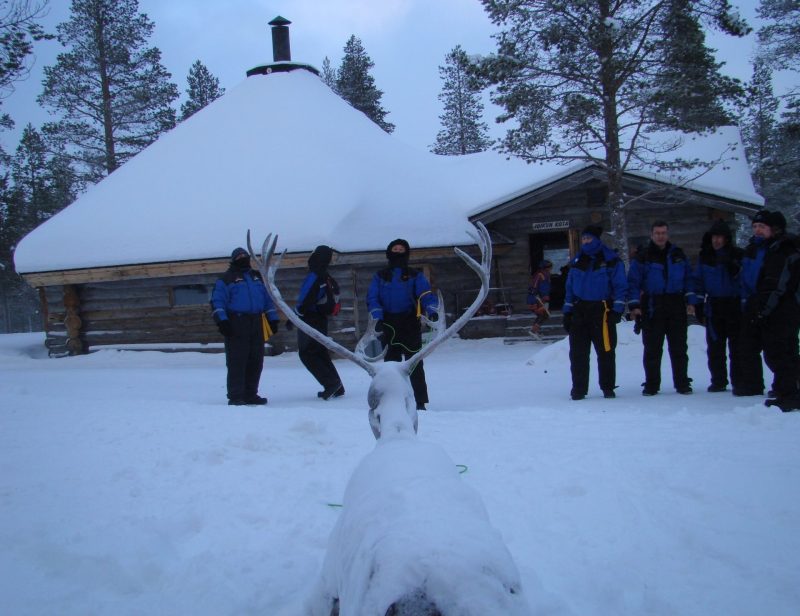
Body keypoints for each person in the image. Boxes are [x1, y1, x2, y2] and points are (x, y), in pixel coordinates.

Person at [737, 210, 800, 411]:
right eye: (755, 227)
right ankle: (785, 390)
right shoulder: (760, 249)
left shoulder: (783, 250)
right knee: (776, 352)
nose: (758, 231)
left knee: (781, 352)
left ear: (775, 229)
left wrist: (763, 310)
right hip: (764, 305)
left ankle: (789, 394)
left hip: (782, 308)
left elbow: (777, 284)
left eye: (762, 227)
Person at [367, 238, 438, 410]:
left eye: (401, 249)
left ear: (406, 253)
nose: (398, 252)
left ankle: (420, 401)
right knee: (391, 365)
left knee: (414, 363)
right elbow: (372, 298)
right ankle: (394, 400)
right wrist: (377, 317)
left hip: (410, 322)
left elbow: (425, 294)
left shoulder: (415, 275)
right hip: (388, 324)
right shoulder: (380, 276)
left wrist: (432, 310)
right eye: (395, 249)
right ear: (389, 252)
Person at [628, 221, 695, 396]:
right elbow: (633, 282)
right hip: (652, 304)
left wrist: (691, 300)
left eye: (663, 232)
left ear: (668, 234)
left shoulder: (678, 255)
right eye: (657, 233)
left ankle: (682, 383)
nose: (660, 236)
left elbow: (689, 278)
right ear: (652, 235)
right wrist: (634, 306)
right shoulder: (643, 257)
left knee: (679, 347)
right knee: (652, 348)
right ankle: (651, 384)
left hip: (676, 303)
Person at [562, 226, 627, 400]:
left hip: (602, 310)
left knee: (606, 351)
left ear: (597, 240)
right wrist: (567, 312)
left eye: (589, 239)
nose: (585, 242)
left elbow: (620, 286)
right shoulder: (577, 261)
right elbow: (569, 288)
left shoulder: (611, 260)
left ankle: (607, 387)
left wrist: (617, 310)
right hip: (580, 310)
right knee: (578, 353)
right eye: (583, 239)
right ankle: (579, 389)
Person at [211, 247, 280, 406]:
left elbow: (267, 300)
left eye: (245, 256)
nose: (243, 258)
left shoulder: (257, 277)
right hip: (237, 322)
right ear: (234, 259)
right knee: (238, 360)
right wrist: (222, 321)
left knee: (256, 359)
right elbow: (217, 301)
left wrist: (272, 319)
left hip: (256, 322)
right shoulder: (226, 279)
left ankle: (251, 394)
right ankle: (236, 396)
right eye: (239, 256)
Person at [692, 220, 744, 392]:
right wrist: (698, 305)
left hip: (734, 304)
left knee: (736, 347)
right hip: (714, 305)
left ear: (726, 239)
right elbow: (698, 282)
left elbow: (744, 281)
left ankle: (738, 380)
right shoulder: (705, 256)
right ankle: (718, 380)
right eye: (714, 237)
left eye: (720, 237)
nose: (717, 241)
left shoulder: (737, 255)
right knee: (715, 347)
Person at [295, 245, 345, 400]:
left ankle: (331, 384)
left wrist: (297, 315)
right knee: (319, 352)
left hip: (310, 318)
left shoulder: (316, 275)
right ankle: (337, 386)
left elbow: (307, 296)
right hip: (321, 319)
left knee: (307, 354)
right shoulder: (326, 276)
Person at [527, 260, 553, 337]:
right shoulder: (542, 275)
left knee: (542, 314)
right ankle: (533, 331)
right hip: (537, 298)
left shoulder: (542, 274)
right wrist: (545, 298)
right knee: (544, 314)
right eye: (550, 267)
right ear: (546, 268)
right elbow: (543, 288)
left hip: (535, 297)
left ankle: (534, 330)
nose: (551, 268)